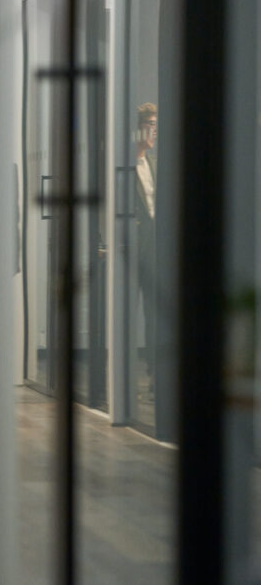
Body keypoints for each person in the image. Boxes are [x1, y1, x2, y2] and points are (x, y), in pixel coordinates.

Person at [134, 102, 158, 400]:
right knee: (126, 313)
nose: (154, 130)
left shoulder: (155, 163)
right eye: (151, 124)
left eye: (156, 125)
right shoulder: (121, 163)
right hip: (129, 251)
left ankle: (155, 374)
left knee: (155, 315)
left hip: (154, 251)